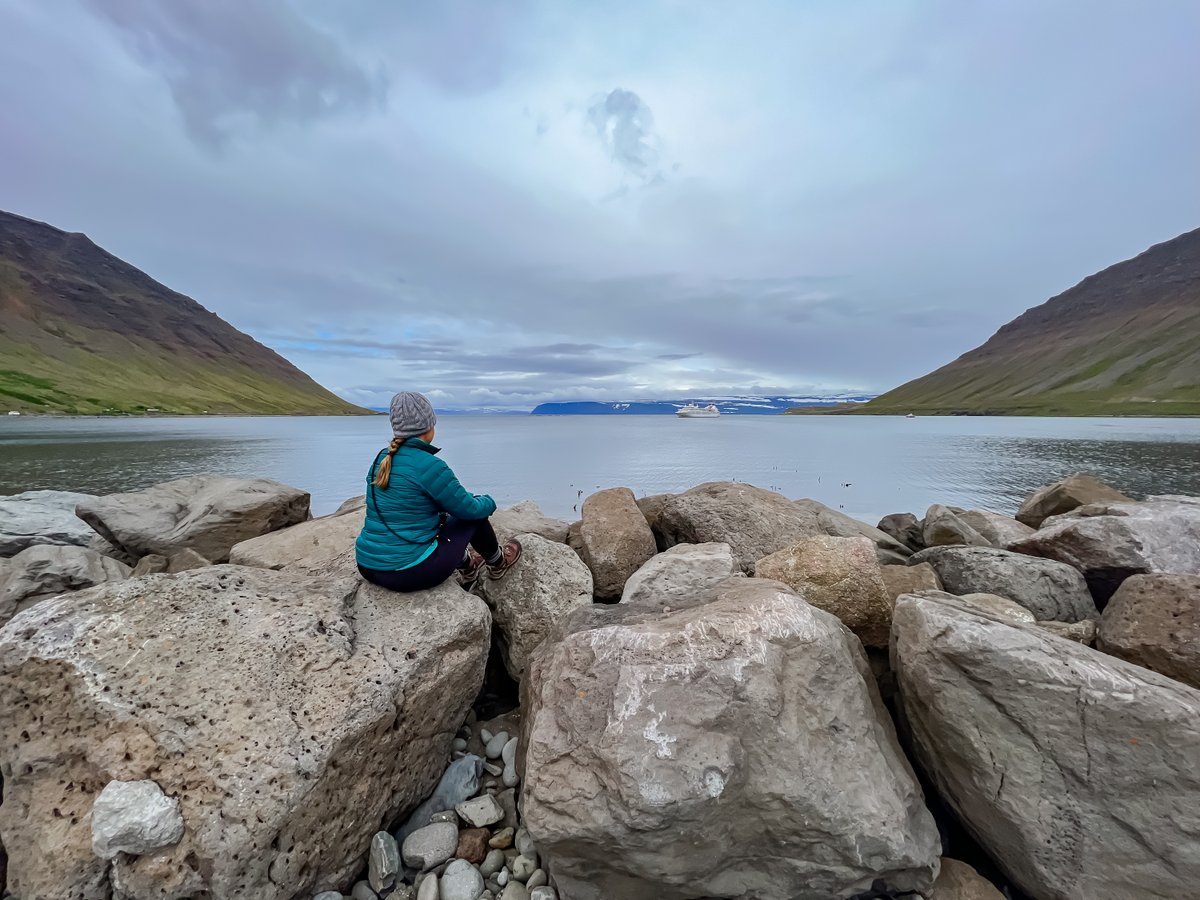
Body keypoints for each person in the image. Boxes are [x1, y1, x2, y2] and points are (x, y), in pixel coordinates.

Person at [355, 391, 521, 592]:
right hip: (408, 573)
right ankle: (498, 562)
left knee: (440, 518)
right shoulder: (429, 466)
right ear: (429, 426)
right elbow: (470, 510)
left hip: (368, 566)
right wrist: (489, 501)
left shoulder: (381, 458)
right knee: (474, 515)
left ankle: (469, 566)